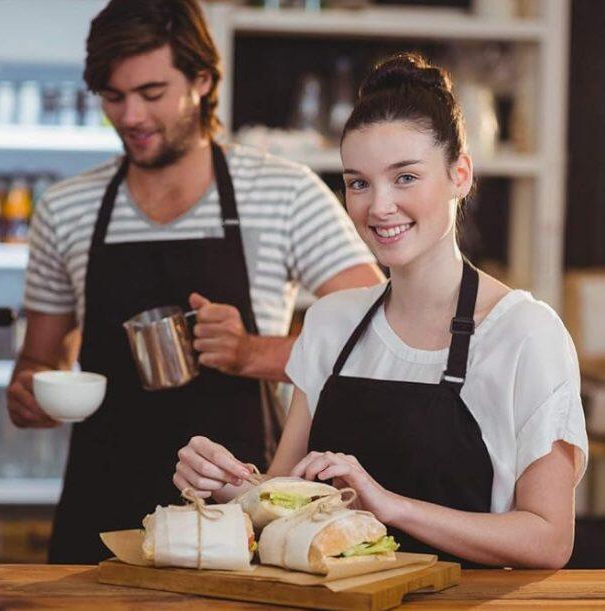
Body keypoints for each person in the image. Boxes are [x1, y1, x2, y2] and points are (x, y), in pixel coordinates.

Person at [173, 52, 589, 569]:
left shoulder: (526, 334)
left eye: (406, 177)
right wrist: (226, 486)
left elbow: (549, 540)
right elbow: (278, 503)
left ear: (460, 174)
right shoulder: (331, 323)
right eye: (358, 183)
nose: (379, 206)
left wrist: (392, 507)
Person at [6, 0, 383, 564]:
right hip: (101, 506)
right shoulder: (67, 208)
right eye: (113, 96)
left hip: (242, 508)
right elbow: (36, 363)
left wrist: (252, 352)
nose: (130, 116)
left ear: (203, 80)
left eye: (152, 93)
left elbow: (374, 338)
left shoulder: (284, 193)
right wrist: (29, 393)